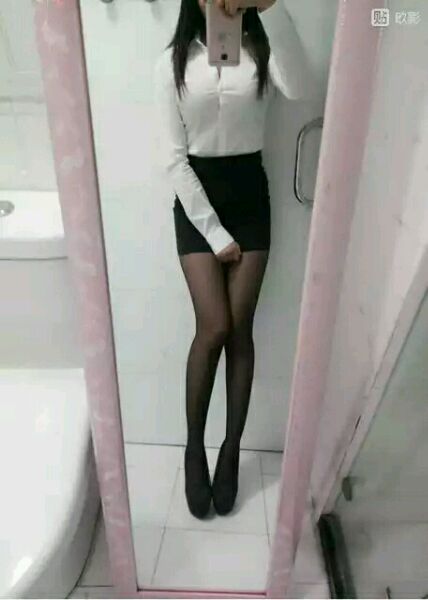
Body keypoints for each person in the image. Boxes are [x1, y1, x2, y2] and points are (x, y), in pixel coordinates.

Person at [155, 0, 313, 518]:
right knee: (214, 326)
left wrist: (271, 8)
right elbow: (173, 160)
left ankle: (230, 452)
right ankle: (194, 449)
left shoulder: (262, 52)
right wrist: (214, 232)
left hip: (250, 198)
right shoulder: (171, 63)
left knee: (240, 329)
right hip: (197, 200)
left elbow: (301, 86)